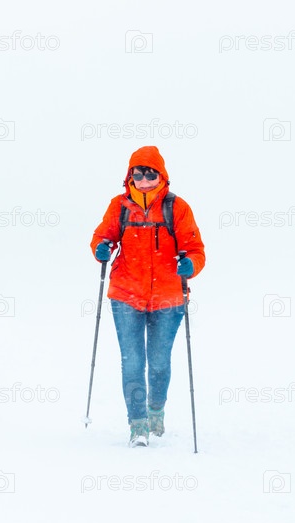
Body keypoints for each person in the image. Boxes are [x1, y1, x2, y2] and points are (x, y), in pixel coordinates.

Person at [90, 146, 206, 447]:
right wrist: (101, 248)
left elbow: (196, 249)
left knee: (158, 362)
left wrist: (191, 265)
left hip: (168, 298)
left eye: (149, 174)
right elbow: (103, 236)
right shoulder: (119, 206)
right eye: (137, 174)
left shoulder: (176, 207)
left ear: (161, 175)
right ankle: (138, 424)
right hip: (126, 294)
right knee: (132, 363)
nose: (143, 180)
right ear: (129, 176)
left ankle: (156, 411)